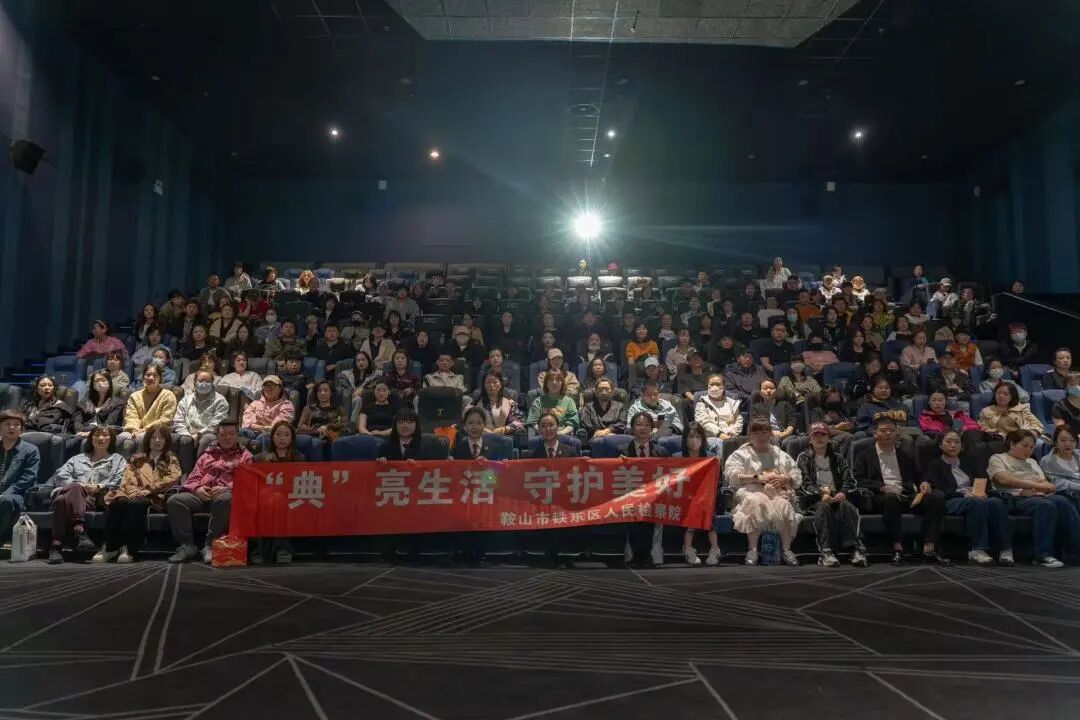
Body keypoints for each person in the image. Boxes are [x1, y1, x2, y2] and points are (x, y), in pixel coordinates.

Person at [853, 417, 949, 566]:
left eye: (891, 431)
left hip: (906, 495)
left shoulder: (904, 454)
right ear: (875, 433)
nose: (888, 434)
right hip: (882, 497)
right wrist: (882, 487)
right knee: (892, 499)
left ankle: (929, 548)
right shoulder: (865, 455)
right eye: (883, 431)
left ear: (896, 433)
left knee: (937, 498)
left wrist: (924, 482)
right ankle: (897, 548)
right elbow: (858, 479)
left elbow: (919, 475)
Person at [989, 430, 1080, 567]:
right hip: (1013, 497)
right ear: (1012, 444)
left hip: (1038, 495)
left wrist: (1035, 488)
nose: (1029, 450)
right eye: (1024, 446)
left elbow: (1048, 485)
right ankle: (1042, 555)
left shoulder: (1032, 462)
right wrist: (1032, 486)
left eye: (1031, 447)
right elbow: (1004, 479)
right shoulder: (998, 458)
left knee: (1062, 501)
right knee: (1044, 505)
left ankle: (1073, 551)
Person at [923, 430, 1013, 565]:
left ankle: (1005, 549)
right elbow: (938, 488)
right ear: (940, 445)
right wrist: (963, 494)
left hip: (974, 495)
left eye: (957, 442)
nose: (953, 445)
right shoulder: (935, 464)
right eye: (948, 442)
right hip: (952, 499)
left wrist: (983, 492)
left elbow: (983, 480)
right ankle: (976, 549)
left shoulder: (968, 462)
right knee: (975, 503)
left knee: (996, 502)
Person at [167, 421, 252, 563]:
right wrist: (197, 489)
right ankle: (187, 546)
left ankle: (210, 545)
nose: (227, 438)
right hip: (203, 496)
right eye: (223, 434)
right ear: (217, 436)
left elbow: (248, 482)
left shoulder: (245, 456)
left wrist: (228, 488)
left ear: (237, 436)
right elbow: (192, 478)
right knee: (175, 501)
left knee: (225, 499)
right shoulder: (206, 455)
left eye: (231, 434)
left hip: (227, 497)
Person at [95, 427, 181, 563]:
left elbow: (173, 478)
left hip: (154, 497)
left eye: (161, 438)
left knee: (136, 504)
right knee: (118, 501)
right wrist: (133, 491)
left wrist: (150, 490)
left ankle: (130, 549)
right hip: (131, 492)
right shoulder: (137, 459)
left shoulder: (171, 459)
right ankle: (111, 548)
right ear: (148, 440)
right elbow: (128, 477)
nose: (157, 441)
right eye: (153, 437)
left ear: (166, 441)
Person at [723, 417, 801, 566]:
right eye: (756, 433)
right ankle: (752, 549)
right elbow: (732, 476)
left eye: (765, 432)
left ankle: (786, 549)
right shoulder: (740, 454)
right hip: (750, 490)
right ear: (750, 435)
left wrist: (786, 478)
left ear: (770, 434)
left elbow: (796, 474)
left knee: (784, 505)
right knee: (757, 502)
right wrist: (757, 478)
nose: (761, 436)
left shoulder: (779, 453)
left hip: (777, 492)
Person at [44, 426, 127, 563]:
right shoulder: (77, 459)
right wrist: (80, 486)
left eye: (105, 435)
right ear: (91, 439)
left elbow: (120, 480)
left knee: (60, 501)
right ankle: (79, 529)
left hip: (95, 499)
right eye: (97, 435)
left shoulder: (118, 460)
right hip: (74, 494)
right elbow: (60, 476)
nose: (101, 438)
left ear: (111, 439)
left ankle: (56, 545)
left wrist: (99, 486)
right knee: (75, 488)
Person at [796, 423, 868, 567]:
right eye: (815, 435)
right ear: (810, 439)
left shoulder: (838, 458)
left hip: (837, 495)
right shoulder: (803, 458)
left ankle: (856, 550)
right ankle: (826, 551)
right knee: (823, 508)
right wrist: (820, 494)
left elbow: (850, 480)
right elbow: (803, 484)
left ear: (829, 438)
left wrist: (843, 492)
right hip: (814, 500)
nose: (819, 438)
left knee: (848, 507)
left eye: (823, 434)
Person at [620, 411, 671, 568]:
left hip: (654, 497)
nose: (642, 428)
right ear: (632, 428)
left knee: (650, 511)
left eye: (646, 425)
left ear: (652, 428)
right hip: (629, 496)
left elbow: (669, 476)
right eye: (639, 425)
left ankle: (646, 554)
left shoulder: (661, 452)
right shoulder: (621, 451)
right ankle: (638, 555)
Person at [252, 421, 304, 564]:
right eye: (278, 434)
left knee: (279, 501)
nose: (282, 438)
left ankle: (283, 548)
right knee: (264, 502)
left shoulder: (299, 458)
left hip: (290, 497)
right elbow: (253, 483)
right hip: (264, 498)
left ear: (292, 438)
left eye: (286, 435)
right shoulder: (259, 458)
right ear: (272, 437)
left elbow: (301, 481)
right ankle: (258, 549)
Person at [679, 423, 723, 565]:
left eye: (698, 436)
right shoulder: (676, 457)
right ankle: (688, 548)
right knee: (693, 508)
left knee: (706, 508)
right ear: (685, 438)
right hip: (682, 498)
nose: (695, 439)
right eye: (691, 436)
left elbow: (718, 483)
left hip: (705, 499)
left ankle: (715, 548)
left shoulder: (711, 458)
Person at [172, 369, 230, 470]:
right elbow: (178, 420)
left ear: (212, 383)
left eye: (207, 381)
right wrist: (188, 436)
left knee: (206, 439)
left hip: (209, 433)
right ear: (194, 383)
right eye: (200, 381)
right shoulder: (186, 399)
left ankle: (199, 471)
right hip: (187, 433)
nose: (204, 384)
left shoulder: (220, 400)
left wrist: (198, 435)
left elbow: (216, 424)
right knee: (183, 440)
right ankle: (184, 472)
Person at [120, 366, 177, 454]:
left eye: (155, 375)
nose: (151, 378)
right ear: (143, 377)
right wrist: (135, 429)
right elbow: (131, 416)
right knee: (121, 437)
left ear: (160, 378)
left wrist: (144, 430)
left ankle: (140, 462)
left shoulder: (169, 395)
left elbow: (165, 419)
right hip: (135, 429)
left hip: (158, 430)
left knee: (141, 438)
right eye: (148, 375)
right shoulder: (134, 396)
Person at [241, 375, 295, 450]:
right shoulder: (255, 403)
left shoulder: (286, 405)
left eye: (272, 386)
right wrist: (266, 425)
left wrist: (257, 423)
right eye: (265, 386)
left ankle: (264, 457)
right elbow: (246, 423)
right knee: (241, 431)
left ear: (279, 388)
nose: (268, 388)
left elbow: (277, 428)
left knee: (265, 436)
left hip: (271, 436)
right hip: (252, 432)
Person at [978, 382, 1043, 438]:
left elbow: (1037, 424)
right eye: (998, 393)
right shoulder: (986, 411)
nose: (1001, 396)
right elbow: (983, 428)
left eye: (1005, 394)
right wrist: (995, 433)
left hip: (1021, 439)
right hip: (998, 440)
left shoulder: (1021, 409)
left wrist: (1029, 434)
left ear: (1012, 396)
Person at [526, 370, 579, 436]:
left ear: (562, 383)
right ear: (546, 383)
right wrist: (546, 433)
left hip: (563, 436)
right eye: (551, 380)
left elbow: (571, 424)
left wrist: (560, 433)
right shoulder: (538, 401)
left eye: (558, 380)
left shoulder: (569, 402)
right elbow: (534, 423)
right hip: (543, 436)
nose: (554, 382)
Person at [469, 373, 524, 437]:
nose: (491, 385)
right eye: (488, 382)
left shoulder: (509, 403)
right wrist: (481, 429)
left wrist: (503, 429)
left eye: (495, 382)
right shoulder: (475, 403)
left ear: (500, 384)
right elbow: (466, 422)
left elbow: (519, 422)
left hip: (503, 438)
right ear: (484, 385)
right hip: (480, 437)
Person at [74, 371, 126, 436]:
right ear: (93, 385)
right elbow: (77, 421)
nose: (100, 383)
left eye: (103, 380)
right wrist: (79, 432)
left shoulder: (118, 403)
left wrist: (90, 434)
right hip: (82, 433)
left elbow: (110, 422)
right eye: (96, 381)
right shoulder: (84, 401)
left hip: (103, 435)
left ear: (109, 382)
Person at [298, 380, 346, 445]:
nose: (322, 393)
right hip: (311, 439)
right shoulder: (308, 408)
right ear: (316, 393)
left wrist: (328, 426)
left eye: (326, 390)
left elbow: (344, 425)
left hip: (330, 440)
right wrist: (317, 431)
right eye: (319, 391)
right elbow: (300, 427)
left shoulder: (339, 409)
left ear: (331, 393)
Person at [579, 377, 626, 442]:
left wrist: (607, 431)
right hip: (596, 437)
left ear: (612, 391)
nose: (604, 391)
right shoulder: (589, 407)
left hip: (615, 437)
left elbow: (622, 423)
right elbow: (586, 423)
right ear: (596, 391)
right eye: (600, 389)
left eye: (607, 389)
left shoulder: (620, 406)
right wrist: (600, 433)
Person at [749, 378, 796, 442]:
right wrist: (772, 433)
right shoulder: (755, 407)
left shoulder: (785, 404)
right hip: (765, 435)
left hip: (786, 436)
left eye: (771, 388)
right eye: (765, 388)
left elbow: (792, 422)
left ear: (776, 390)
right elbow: (755, 424)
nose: (768, 390)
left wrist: (786, 433)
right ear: (760, 392)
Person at [337, 350, 379, 419]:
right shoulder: (346, 375)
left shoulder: (375, 375)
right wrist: (354, 393)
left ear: (368, 361)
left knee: (358, 399)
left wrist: (362, 391)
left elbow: (373, 389)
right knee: (357, 399)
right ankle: (352, 423)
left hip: (366, 401)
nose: (361, 362)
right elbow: (343, 388)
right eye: (358, 361)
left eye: (363, 360)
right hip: (349, 401)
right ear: (355, 363)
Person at [1040, 426, 1080, 495]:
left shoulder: (1078, 454)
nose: (1068, 444)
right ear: (1056, 442)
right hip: (1068, 494)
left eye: (1072, 440)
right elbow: (1056, 483)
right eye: (1063, 440)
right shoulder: (1047, 461)